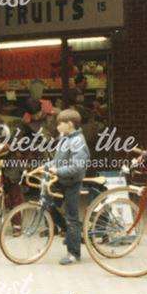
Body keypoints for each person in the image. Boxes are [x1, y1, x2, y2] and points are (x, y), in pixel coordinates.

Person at [49, 109, 90, 265]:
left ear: (70, 124)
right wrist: (45, 166)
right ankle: (72, 234)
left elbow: (78, 167)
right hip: (62, 180)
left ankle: (74, 253)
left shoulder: (78, 141)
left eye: (60, 123)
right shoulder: (66, 139)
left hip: (72, 182)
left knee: (71, 218)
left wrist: (58, 170)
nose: (57, 126)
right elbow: (58, 160)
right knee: (50, 207)